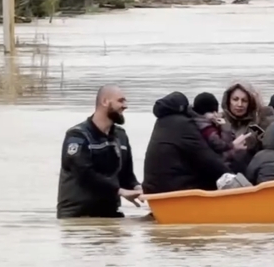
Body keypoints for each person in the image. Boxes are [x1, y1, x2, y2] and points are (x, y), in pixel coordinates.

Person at [56, 85, 142, 218]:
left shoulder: (121, 136)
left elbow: (126, 175)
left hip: (109, 213)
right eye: (120, 101)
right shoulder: (77, 136)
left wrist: (137, 188)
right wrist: (119, 191)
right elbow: (84, 174)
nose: (125, 106)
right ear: (105, 102)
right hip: (77, 215)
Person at [142, 91, 232, 194]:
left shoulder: (162, 123)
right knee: (213, 180)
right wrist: (234, 179)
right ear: (182, 108)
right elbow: (207, 158)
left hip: (153, 188)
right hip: (172, 190)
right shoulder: (183, 125)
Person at [191, 92, 247, 156]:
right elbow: (222, 146)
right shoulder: (208, 130)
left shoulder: (194, 121)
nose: (215, 114)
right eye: (212, 112)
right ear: (202, 112)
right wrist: (225, 127)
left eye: (216, 111)